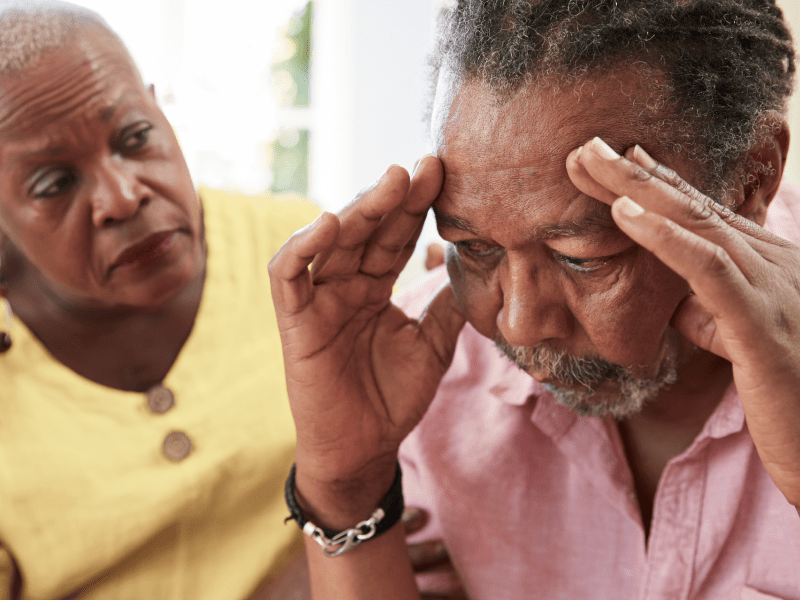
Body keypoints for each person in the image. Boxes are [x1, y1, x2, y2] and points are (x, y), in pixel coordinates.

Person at [269, 0, 800, 598]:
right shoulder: (423, 381)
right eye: (473, 247)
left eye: (584, 257)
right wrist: (348, 489)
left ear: (752, 178)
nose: (518, 326)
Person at [0, 1, 322, 598]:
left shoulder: (307, 253)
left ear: (159, 110)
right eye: (55, 183)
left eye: (135, 137)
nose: (122, 197)